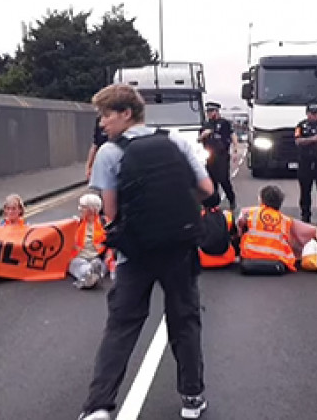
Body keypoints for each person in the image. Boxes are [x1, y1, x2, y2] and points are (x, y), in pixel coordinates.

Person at [78, 84, 213, 420]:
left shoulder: (110, 153)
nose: (103, 124)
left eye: (106, 115)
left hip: (135, 255)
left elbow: (111, 213)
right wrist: (174, 212)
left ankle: (98, 406)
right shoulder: (176, 141)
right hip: (180, 250)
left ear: (126, 113)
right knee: (185, 322)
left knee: (122, 326)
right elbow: (207, 190)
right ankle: (192, 398)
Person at [237, 185, 297, 274]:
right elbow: (289, 241)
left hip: (250, 256)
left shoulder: (251, 213)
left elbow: (239, 228)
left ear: (261, 200)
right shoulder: (286, 220)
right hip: (277, 259)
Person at [198, 102, 239, 211]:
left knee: (223, 179)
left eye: (211, 111)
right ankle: (213, 203)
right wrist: (204, 134)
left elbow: (232, 135)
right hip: (209, 155)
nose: (210, 114)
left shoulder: (224, 123)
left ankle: (231, 199)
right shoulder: (206, 125)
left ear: (216, 112)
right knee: (211, 180)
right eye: (208, 112)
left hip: (222, 155)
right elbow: (199, 139)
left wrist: (235, 149)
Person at [68, 193, 109, 289]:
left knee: (101, 264)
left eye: (83, 207)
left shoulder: (105, 223)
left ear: (92, 209)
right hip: (80, 256)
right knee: (76, 264)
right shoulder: (76, 222)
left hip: (98, 257)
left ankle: (90, 277)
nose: (79, 209)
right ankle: (90, 274)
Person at [86, 115, 107, 181]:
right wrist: (88, 166)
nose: (101, 124)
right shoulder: (99, 119)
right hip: (101, 163)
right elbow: (95, 144)